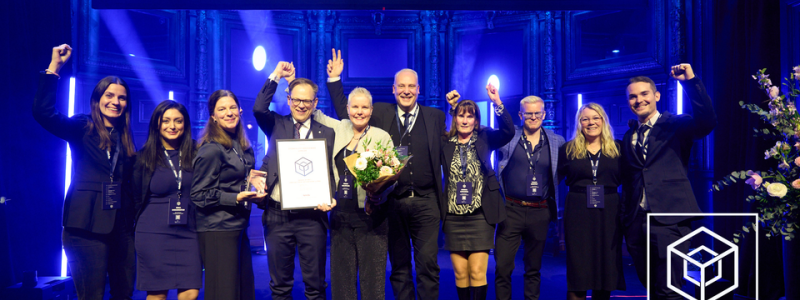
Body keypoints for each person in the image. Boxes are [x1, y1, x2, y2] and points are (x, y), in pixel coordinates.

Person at [327, 49, 446, 300]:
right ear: (393, 89)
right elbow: (347, 112)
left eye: (411, 86)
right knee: (400, 267)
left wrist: (457, 106)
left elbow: (452, 143)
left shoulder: (436, 116)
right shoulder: (380, 111)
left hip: (426, 202)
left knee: (428, 265)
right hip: (393, 203)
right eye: (401, 86)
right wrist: (335, 80)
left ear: (418, 89)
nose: (406, 90)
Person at [33, 44, 136, 300]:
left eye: (121, 97)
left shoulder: (126, 139)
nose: (115, 102)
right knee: (92, 295)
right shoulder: (83, 127)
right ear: (97, 99)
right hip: (85, 228)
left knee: (124, 293)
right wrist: (54, 67)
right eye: (109, 96)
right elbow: (44, 114)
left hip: (120, 229)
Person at [620, 64, 716, 300]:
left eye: (644, 94)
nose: (638, 100)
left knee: (669, 289)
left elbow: (706, 121)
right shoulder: (628, 135)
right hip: (636, 222)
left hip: (669, 221)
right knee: (650, 287)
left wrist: (690, 81)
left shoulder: (675, 125)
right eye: (633, 96)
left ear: (656, 96)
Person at [253, 62, 336, 300]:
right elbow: (259, 108)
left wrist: (331, 197)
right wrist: (277, 75)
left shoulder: (326, 132)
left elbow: (330, 173)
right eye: (296, 100)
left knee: (316, 287)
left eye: (307, 101)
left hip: (313, 217)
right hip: (278, 216)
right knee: (280, 287)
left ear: (315, 103)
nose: (301, 105)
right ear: (289, 100)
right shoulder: (276, 124)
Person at [311, 84, 394, 299]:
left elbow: (392, 177)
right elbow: (314, 111)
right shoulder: (339, 128)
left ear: (371, 110)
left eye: (364, 107)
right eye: (355, 107)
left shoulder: (382, 136)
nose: (359, 111)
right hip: (340, 217)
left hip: (372, 217)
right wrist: (289, 83)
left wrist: (379, 194)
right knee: (341, 283)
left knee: (373, 284)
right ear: (347, 109)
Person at [441, 86, 514, 300]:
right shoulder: (445, 143)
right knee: (461, 273)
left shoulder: (484, 138)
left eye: (469, 116)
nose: (465, 120)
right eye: (460, 116)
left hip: (481, 216)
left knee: (477, 272)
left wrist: (497, 103)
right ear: (454, 119)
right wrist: (452, 107)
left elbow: (508, 132)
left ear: (476, 120)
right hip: (453, 217)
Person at [191, 89, 262, 300]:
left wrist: (255, 184)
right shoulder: (211, 150)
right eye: (222, 109)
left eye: (232, 108)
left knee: (242, 291)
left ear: (240, 111)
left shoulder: (242, 147)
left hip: (238, 226)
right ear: (213, 115)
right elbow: (198, 194)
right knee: (223, 293)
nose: (229, 113)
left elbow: (241, 178)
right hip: (217, 229)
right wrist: (236, 198)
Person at [493, 95, 565, 300]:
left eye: (537, 113)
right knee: (502, 268)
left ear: (544, 114)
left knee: (533, 269)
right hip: (510, 210)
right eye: (528, 113)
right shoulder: (509, 137)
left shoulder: (556, 141)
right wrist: (497, 102)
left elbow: (560, 173)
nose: (533, 117)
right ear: (520, 115)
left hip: (540, 211)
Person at [132, 100, 201, 300]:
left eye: (178, 121)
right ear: (156, 124)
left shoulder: (198, 153)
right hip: (153, 234)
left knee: (190, 292)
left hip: (190, 232)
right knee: (157, 295)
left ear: (185, 125)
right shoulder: (143, 157)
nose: (172, 126)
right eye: (166, 121)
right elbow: (134, 197)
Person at [557, 103, 625, 300]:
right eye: (585, 119)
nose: (590, 122)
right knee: (579, 266)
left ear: (603, 120)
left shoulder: (618, 148)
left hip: (610, 210)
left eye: (595, 118)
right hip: (578, 210)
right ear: (579, 123)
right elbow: (553, 179)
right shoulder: (568, 149)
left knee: (606, 265)